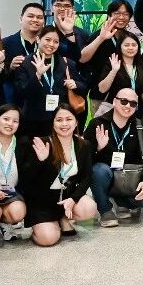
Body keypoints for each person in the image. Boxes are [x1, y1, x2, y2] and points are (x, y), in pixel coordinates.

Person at [19, 105, 98, 246]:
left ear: (76, 122)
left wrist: (73, 199)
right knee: (48, 239)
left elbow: (87, 177)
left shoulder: (83, 145)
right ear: (53, 123)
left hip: (66, 197)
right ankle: (46, 225)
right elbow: (26, 180)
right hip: (42, 201)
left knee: (89, 207)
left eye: (69, 119)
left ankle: (63, 218)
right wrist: (41, 161)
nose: (64, 124)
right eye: (59, 120)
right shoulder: (42, 144)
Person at [87, 87, 143, 228]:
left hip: (128, 178)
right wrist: (98, 148)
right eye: (123, 101)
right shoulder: (97, 124)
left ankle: (120, 202)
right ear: (114, 102)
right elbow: (85, 160)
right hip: (106, 175)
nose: (128, 106)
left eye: (133, 103)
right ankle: (105, 210)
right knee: (99, 171)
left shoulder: (139, 126)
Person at [14, 25, 85, 138]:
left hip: (60, 120)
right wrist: (37, 75)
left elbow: (84, 87)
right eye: (47, 39)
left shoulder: (66, 63)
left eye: (56, 42)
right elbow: (22, 92)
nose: (51, 44)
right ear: (38, 39)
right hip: (33, 121)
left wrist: (75, 84)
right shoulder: (25, 63)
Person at [92, 30, 143, 117]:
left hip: (135, 111)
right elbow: (102, 89)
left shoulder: (141, 64)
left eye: (134, 45)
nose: (130, 48)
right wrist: (114, 71)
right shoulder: (112, 62)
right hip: (114, 111)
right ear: (120, 47)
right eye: (126, 45)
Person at [0, 105, 28, 231]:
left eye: (15, 121)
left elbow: (29, 173)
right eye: (6, 119)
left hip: (12, 193)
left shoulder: (24, 144)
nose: (10, 124)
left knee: (18, 212)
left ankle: (3, 222)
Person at [2, 2, 47, 101]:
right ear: (21, 19)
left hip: (42, 99)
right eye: (30, 16)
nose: (35, 20)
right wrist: (10, 67)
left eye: (39, 17)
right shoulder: (5, 43)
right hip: (15, 101)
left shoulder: (48, 45)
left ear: (44, 22)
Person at [51, 0, 93, 82]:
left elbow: (82, 61)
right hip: (53, 81)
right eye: (58, 5)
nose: (62, 9)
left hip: (77, 83)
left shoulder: (83, 34)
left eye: (67, 6)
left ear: (72, 9)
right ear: (52, 8)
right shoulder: (46, 33)